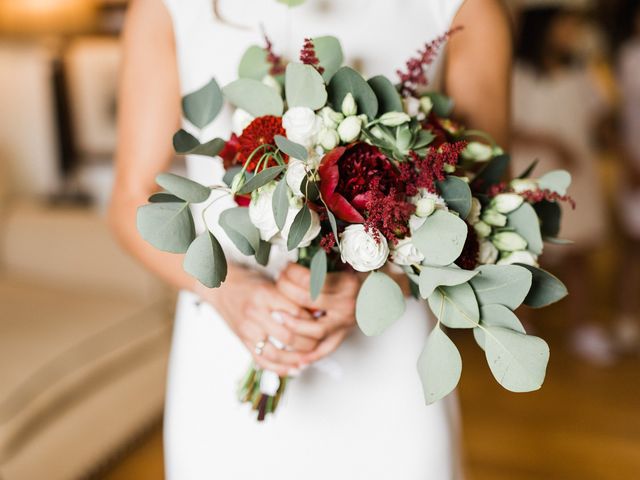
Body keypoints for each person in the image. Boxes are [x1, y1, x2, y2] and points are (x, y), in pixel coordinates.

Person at [109, 0, 511, 478]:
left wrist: (387, 281)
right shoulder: (168, 8)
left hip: (388, 369)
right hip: (224, 352)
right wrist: (227, 292)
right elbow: (129, 199)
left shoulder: (464, 9)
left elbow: (484, 202)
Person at [511, 4, 613, 365]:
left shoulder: (582, 72)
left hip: (576, 175)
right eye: (564, 26)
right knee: (526, 254)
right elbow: (509, 123)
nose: (570, 34)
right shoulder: (518, 74)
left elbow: (601, 120)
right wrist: (552, 142)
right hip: (533, 171)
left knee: (579, 255)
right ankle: (522, 326)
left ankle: (582, 328)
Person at [613, 0, 640, 354]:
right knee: (635, 248)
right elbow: (613, 116)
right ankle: (625, 319)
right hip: (637, 160)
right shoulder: (630, 58)